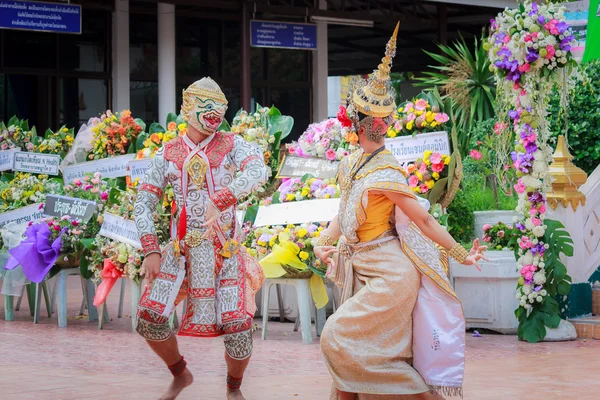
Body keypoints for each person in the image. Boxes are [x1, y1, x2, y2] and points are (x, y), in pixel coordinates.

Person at [314, 23, 487, 400]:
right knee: (352, 360)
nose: (377, 126)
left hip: (392, 276)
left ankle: (424, 396)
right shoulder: (352, 163)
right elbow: (342, 214)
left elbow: (424, 220)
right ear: (362, 121)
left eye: (380, 121)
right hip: (361, 269)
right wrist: (321, 243)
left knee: (336, 339)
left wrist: (460, 254)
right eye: (373, 121)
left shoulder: (387, 171)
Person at [134, 77, 269, 400]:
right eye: (207, 108)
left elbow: (258, 170)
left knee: (238, 329)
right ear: (188, 108)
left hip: (225, 251)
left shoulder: (232, 144)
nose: (215, 116)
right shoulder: (167, 153)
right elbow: (143, 202)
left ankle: (233, 388)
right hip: (180, 252)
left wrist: (223, 197)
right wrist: (151, 249)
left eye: (219, 109)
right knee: (149, 320)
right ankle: (180, 373)